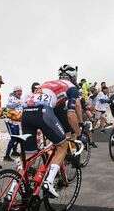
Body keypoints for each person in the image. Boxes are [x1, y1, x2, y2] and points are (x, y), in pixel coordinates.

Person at [22, 64, 83, 198]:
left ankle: (13, 189)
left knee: (29, 157)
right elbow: (71, 113)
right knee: (62, 145)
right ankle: (48, 182)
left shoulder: (47, 83)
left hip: (26, 113)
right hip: (42, 113)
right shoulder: (72, 88)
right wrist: (78, 132)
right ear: (73, 78)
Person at [3, 86, 23, 162]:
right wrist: (18, 102)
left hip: (17, 121)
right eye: (18, 91)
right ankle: (6, 155)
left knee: (18, 137)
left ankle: (14, 152)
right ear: (15, 92)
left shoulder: (20, 99)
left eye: (21, 91)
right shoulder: (11, 98)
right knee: (13, 138)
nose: (20, 92)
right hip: (10, 121)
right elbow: (9, 106)